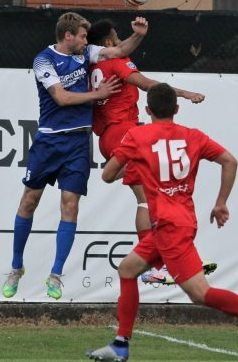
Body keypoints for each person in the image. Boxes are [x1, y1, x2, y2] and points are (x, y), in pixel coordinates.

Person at [86, 83, 238, 361]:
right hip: (177, 222)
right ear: (177, 109)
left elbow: (107, 175)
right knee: (128, 269)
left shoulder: (137, 136)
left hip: (169, 228)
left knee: (200, 294)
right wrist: (220, 202)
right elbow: (230, 161)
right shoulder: (193, 136)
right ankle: (120, 344)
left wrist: (135, 164)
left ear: (147, 110)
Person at [2, 12, 149, 300]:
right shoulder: (43, 60)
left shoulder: (86, 54)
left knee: (70, 207)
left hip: (78, 143)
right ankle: (16, 267)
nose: (86, 41)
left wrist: (140, 35)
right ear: (67, 36)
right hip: (49, 140)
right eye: (82, 36)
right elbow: (62, 98)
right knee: (28, 202)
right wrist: (98, 95)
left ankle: (55, 275)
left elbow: (119, 50)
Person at [86, 19, 215, 285]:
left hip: (109, 135)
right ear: (110, 44)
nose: (121, 41)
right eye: (117, 37)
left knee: (147, 198)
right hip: (124, 131)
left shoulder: (92, 65)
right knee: (149, 198)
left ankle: (159, 263)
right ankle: (157, 264)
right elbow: (148, 85)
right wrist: (185, 93)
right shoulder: (116, 62)